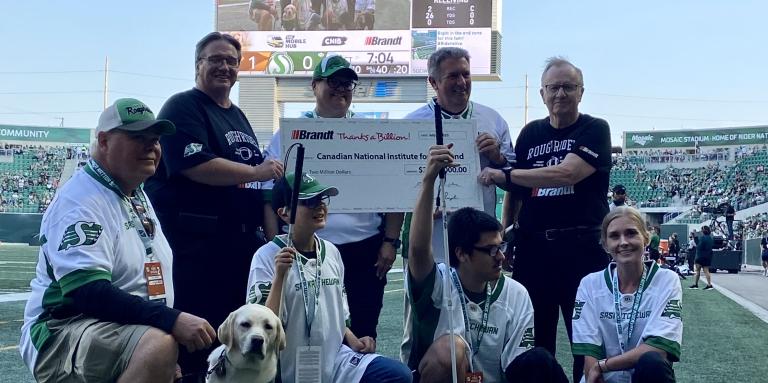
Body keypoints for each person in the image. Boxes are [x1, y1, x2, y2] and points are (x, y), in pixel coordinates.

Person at [20, 98, 216, 382]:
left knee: (159, 348)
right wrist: (168, 324)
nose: (152, 146)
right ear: (103, 141)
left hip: (113, 327)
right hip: (60, 330)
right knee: (159, 344)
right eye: (138, 137)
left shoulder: (134, 192)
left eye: (156, 139)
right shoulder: (82, 200)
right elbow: (86, 292)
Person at [144, 32, 284, 381]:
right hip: (195, 249)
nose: (224, 66)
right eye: (215, 59)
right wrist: (255, 170)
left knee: (230, 348)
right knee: (197, 343)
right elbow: (195, 164)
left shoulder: (237, 115)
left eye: (231, 61)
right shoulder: (183, 106)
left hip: (235, 249)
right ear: (198, 65)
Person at [479, 57, 611, 382]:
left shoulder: (595, 128)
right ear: (542, 93)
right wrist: (507, 233)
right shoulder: (530, 133)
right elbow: (518, 189)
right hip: (534, 248)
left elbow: (567, 173)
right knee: (534, 342)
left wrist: (504, 173)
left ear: (581, 92)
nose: (561, 94)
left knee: (588, 340)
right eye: (554, 87)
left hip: (582, 248)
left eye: (569, 87)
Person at [262, 54, 403, 342]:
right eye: (333, 82)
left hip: (364, 248)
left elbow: (394, 192)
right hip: (305, 248)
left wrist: (390, 241)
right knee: (306, 330)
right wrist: (274, 241)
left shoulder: (372, 132)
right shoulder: (289, 132)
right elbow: (268, 194)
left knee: (364, 332)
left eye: (348, 84)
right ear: (314, 86)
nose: (341, 89)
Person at [405, 145, 568, 383]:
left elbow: (519, 365)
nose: (500, 256)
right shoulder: (439, 282)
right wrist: (429, 180)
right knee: (449, 351)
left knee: (538, 360)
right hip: (445, 375)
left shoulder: (516, 293)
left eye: (500, 246)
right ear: (461, 254)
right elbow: (419, 250)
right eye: (490, 250)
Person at [400, 47, 515, 365]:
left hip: (478, 246)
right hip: (432, 239)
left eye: (466, 74)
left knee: (482, 318)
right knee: (423, 319)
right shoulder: (413, 124)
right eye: (452, 75)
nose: (462, 82)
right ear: (433, 82)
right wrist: (425, 200)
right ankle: (421, 370)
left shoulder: (493, 119)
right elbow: (399, 190)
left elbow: (514, 181)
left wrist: (498, 158)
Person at [246, 172, 412, 383]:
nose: (320, 206)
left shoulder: (331, 252)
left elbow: (339, 315)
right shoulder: (266, 256)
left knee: (398, 375)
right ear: (284, 213)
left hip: (333, 358)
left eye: (322, 200)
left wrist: (354, 340)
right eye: (309, 202)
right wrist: (279, 277)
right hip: (285, 364)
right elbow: (260, 325)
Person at [572, 206, 682, 383]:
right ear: (605, 244)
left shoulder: (666, 280)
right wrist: (597, 369)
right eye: (614, 236)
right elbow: (590, 358)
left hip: (643, 378)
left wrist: (604, 365)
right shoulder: (590, 284)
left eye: (631, 233)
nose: (623, 242)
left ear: (645, 238)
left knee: (653, 363)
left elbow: (659, 349)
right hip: (603, 380)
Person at [690, 226, 714, 290]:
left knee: (697, 271)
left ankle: (695, 284)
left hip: (700, 256)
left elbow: (698, 246)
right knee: (706, 270)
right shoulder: (711, 238)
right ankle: (709, 284)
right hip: (708, 256)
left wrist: (695, 237)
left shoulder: (703, 238)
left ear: (703, 231)